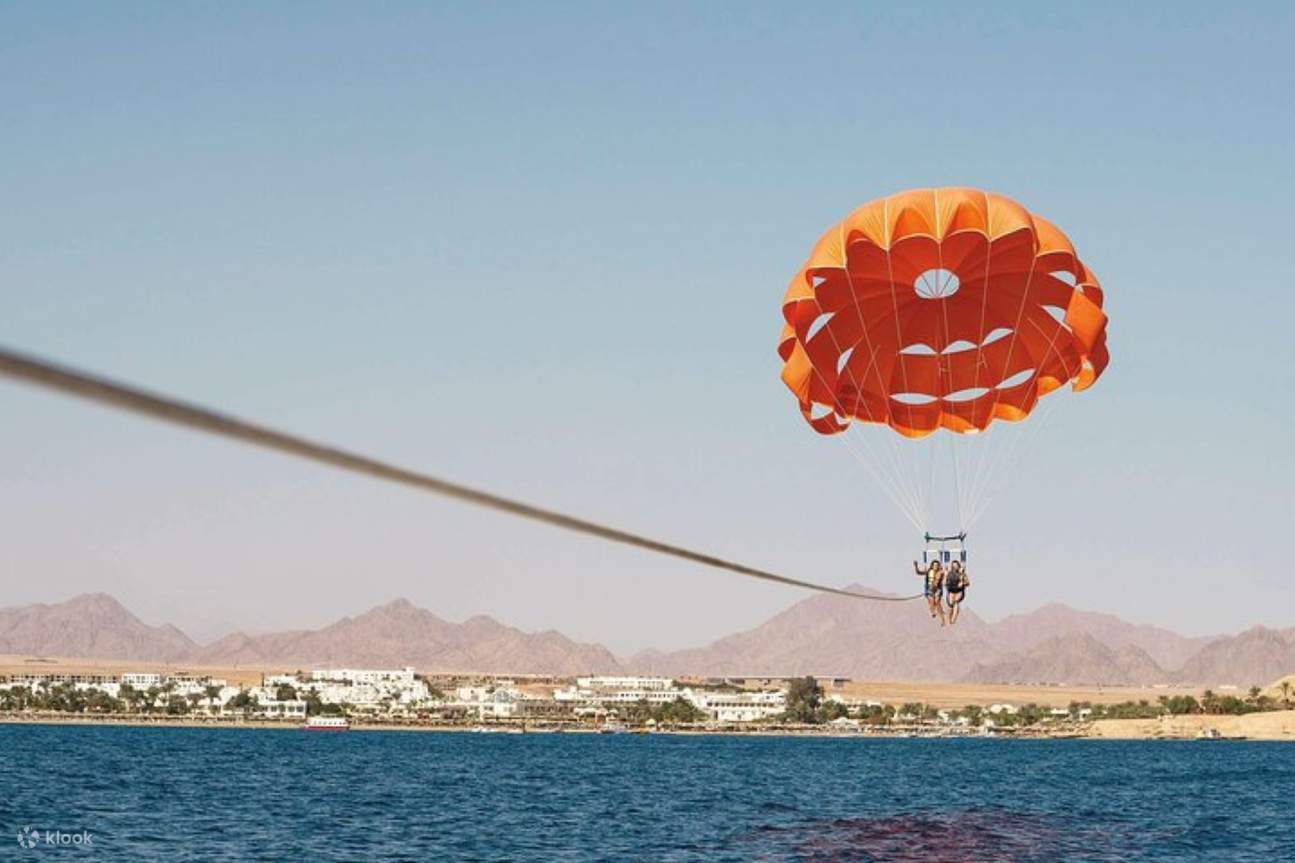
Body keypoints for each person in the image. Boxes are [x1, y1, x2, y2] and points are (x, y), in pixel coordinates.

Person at [914, 559, 945, 625]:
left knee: (937, 602)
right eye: (934, 565)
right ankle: (933, 611)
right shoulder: (928, 571)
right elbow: (919, 572)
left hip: (937, 589)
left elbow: (942, 577)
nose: (935, 567)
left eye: (937, 565)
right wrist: (916, 566)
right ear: (932, 566)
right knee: (931, 601)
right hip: (929, 589)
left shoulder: (941, 572)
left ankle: (942, 618)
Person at [944, 560, 970, 624]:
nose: (955, 567)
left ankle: (953, 619)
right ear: (952, 566)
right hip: (951, 590)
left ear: (959, 566)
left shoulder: (962, 574)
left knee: (955, 602)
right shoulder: (949, 573)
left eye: (956, 565)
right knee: (950, 604)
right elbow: (944, 583)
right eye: (954, 565)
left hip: (959, 591)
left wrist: (963, 582)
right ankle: (949, 619)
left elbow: (968, 583)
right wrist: (945, 576)